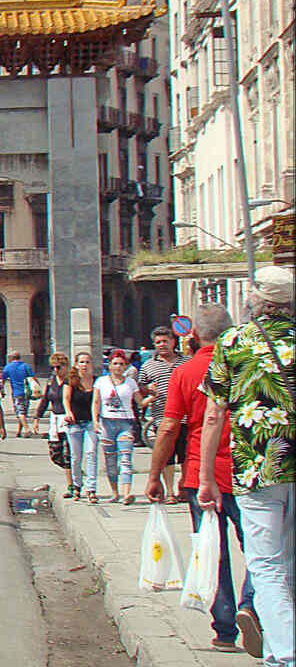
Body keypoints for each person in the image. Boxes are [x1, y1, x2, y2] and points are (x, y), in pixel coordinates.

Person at [145, 304, 259, 656]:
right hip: (248, 473)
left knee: (212, 550)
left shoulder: (186, 371)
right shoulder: (248, 368)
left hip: (200, 475)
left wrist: (154, 476)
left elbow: (168, 427)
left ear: (193, 335)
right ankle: (252, 606)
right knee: (260, 550)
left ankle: (224, 629)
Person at [199, 267, 294, 667]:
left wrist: (206, 477)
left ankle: (286, 653)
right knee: (286, 560)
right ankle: (274, 645)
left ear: (257, 301)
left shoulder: (234, 342)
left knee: (265, 563)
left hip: (257, 466)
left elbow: (214, 414)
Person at [139, 325, 188, 500]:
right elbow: (139, 389)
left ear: (173, 342)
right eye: (158, 342)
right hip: (162, 417)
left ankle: (185, 487)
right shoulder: (148, 365)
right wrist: (147, 389)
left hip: (185, 418)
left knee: (185, 456)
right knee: (167, 457)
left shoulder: (186, 361)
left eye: (165, 341)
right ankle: (169, 491)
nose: (162, 345)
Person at [93, 349, 147, 505]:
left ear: (126, 366)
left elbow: (139, 402)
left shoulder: (130, 382)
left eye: (121, 364)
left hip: (125, 423)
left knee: (126, 459)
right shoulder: (101, 382)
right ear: (109, 366)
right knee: (110, 460)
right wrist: (95, 422)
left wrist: (151, 397)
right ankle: (114, 492)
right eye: (115, 364)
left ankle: (126, 493)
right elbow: (96, 403)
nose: (118, 367)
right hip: (107, 422)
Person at [36, 352, 73, 497]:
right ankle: (75, 471)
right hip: (55, 418)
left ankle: (71, 484)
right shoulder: (52, 381)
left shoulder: (71, 381)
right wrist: (37, 417)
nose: (56, 370)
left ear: (65, 367)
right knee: (55, 454)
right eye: (53, 367)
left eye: (58, 367)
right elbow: (45, 399)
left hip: (68, 419)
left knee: (67, 453)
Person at [64, 351, 99, 502]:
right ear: (76, 365)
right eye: (82, 362)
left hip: (91, 423)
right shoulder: (71, 381)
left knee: (91, 453)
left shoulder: (96, 381)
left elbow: (97, 402)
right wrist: (68, 412)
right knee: (76, 457)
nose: (84, 365)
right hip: (74, 424)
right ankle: (77, 485)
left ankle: (91, 488)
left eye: (87, 362)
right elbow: (66, 399)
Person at [2, 350, 35, 438]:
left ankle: (27, 429)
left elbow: (3, 379)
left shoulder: (8, 367)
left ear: (12, 358)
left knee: (20, 412)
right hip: (27, 392)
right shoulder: (26, 366)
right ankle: (19, 431)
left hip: (17, 392)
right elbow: (33, 378)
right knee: (23, 411)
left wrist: (1, 390)